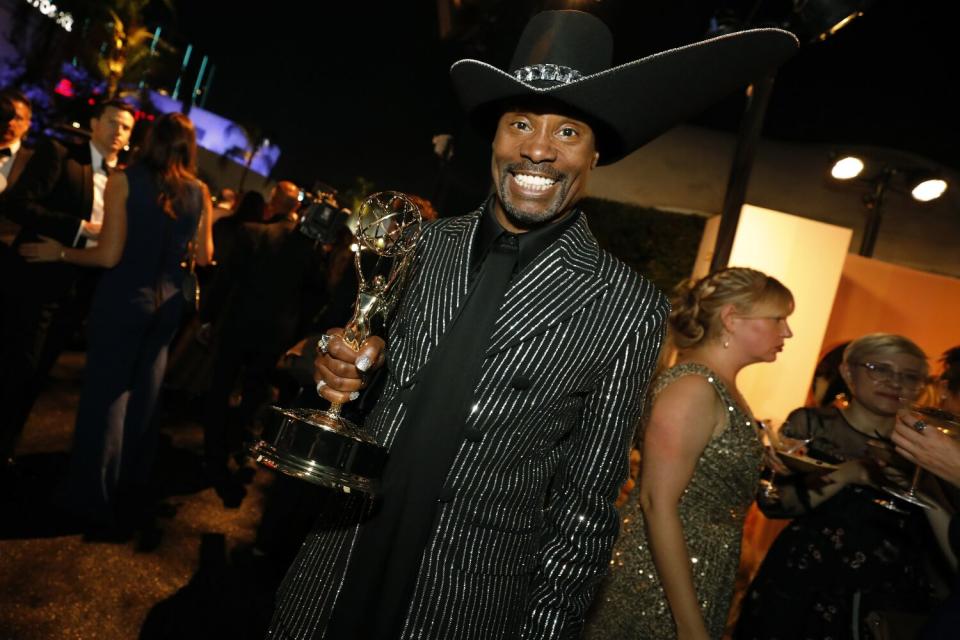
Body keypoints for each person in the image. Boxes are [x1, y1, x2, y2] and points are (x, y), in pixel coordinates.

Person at [267, 10, 797, 640]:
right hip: (343, 551)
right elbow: (330, 360)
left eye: (567, 131)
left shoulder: (624, 305)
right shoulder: (422, 246)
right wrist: (333, 363)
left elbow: (586, 503)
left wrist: (546, 629)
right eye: (520, 123)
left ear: (595, 154)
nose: (538, 148)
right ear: (494, 136)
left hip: (467, 593)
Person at [19, 112, 213, 536]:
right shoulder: (200, 192)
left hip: (125, 299)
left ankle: (91, 496)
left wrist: (60, 254)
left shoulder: (128, 179)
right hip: (168, 307)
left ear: (149, 139)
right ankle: (130, 489)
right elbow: (203, 257)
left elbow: (108, 255)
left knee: (107, 398)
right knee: (145, 397)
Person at [584, 268, 794, 640]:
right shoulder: (693, 388)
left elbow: (705, 475)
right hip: (658, 576)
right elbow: (655, 502)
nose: (787, 332)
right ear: (731, 318)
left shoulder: (719, 386)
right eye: (778, 319)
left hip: (697, 567)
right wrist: (688, 623)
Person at [735, 333, 949, 640]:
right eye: (880, 369)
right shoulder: (812, 425)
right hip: (804, 579)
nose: (894, 382)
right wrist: (848, 475)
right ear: (848, 373)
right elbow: (774, 503)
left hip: (887, 595)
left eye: (910, 376)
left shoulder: (925, 446)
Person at [0, 99, 135, 476]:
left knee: (38, 373)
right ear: (94, 123)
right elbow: (17, 204)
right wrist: (77, 229)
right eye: (112, 123)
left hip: (79, 291)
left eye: (126, 128)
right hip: (34, 279)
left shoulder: (122, 179)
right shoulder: (59, 155)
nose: (118, 132)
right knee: (17, 366)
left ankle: (8, 444)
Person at [0, 88, 33, 195]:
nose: (10, 123)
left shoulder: (32, 161)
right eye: (6, 115)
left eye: (18, 118)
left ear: (27, 124)